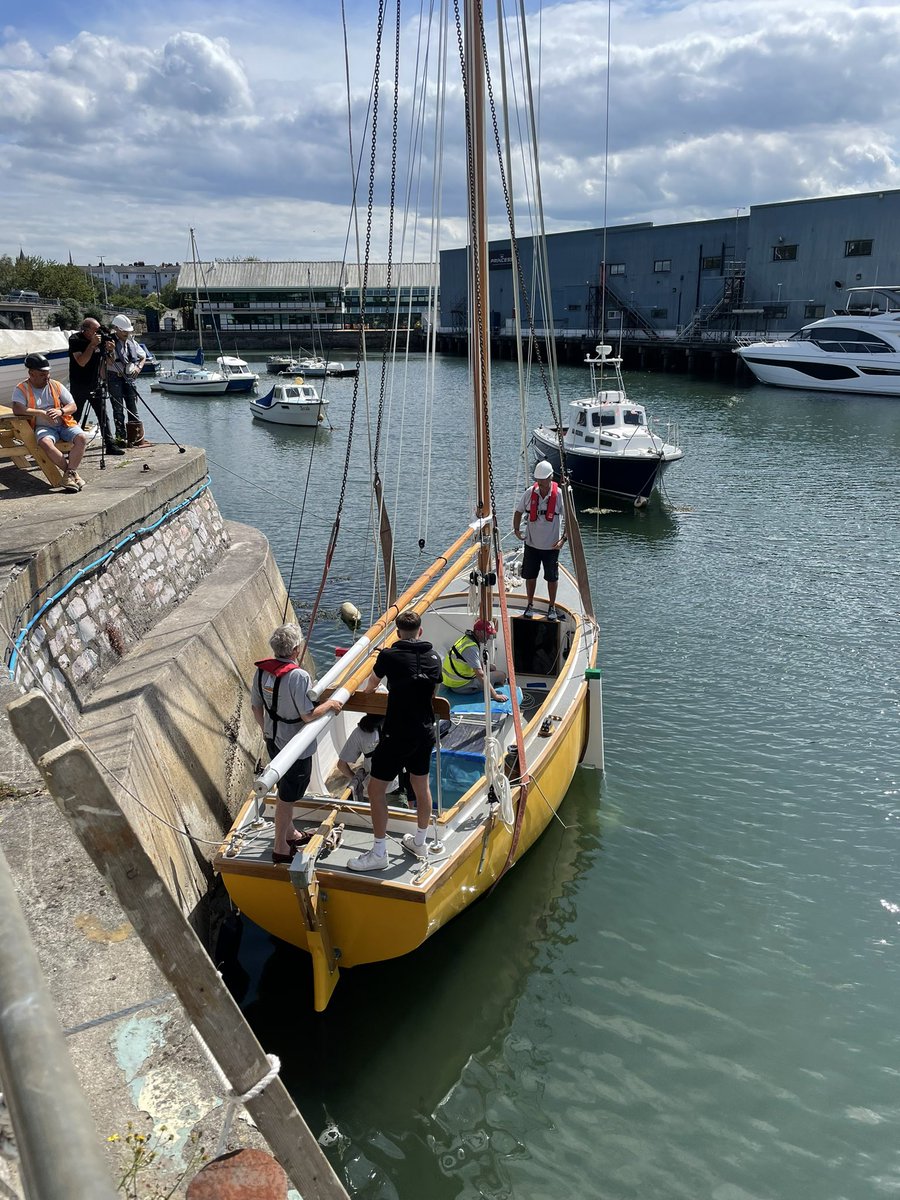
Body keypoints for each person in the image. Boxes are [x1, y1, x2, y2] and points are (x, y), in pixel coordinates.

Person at [348, 609, 442, 871]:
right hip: (425, 732)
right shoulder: (435, 658)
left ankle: (379, 852)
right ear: (420, 632)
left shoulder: (389, 655)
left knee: (375, 790)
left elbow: (372, 683)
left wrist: (369, 693)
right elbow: (433, 691)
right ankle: (420, 841)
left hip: (398, 733)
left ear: (398, 633)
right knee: (421, 787)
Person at [251, 623, 342, 864]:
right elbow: (308, 715)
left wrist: (266, 730)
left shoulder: (261, 672)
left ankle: (289, 833)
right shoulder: (299, 676)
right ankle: (280, 846)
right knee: (289, 795)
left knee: (285, 789)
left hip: (273, 739)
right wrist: (330, 705)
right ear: (295, 649)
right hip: (294, 746)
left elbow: (256, 706)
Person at [12, 354, 88, 493]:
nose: (46, 377)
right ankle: (71, 474)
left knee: (82, 438)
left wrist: (61, 411)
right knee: (45, 443)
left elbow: (73, 405)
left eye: (47, 373)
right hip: (42, 426)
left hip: (65, 423)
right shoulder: (21, 388)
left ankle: (69, 474)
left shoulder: (55, 385)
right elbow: (18, 409)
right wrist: (40, 413)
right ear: (31, 374)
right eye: (42, 374)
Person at [513, 460, 567, 620]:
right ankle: (529, 604)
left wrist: (563, 540)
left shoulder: (558, 496)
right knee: (530, 575)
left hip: (551, 546)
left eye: (544, 480)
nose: (541, 484)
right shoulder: (530, 493)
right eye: (539, 480)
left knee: (552, 577)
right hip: (531, 544)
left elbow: (570, 520)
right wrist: (516, 529)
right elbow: (518, 511)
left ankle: (552, 607)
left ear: (551, 478)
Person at [68, 318, 124, 456]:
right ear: (85, 330)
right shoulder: (75, 340)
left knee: (103, 415)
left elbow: (110, 362)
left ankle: (110, 445)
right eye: (95, 330)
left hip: (96, 383)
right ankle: (69, 445)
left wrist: (110, 351)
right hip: (79, 384)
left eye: (99, 329)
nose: (97, 333)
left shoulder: (101, 340)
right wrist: (92, 345)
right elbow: (81, 362)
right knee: (75, 415)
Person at [105, 314, 148, 447]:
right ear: (116, 329)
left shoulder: (132, 342)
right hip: (114, 377)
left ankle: (135, 437)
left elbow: (143, 356)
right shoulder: (108, 342)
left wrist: (138, 368)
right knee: (118, 409)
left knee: (133, 408)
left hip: (129, 378)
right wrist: (110, 351)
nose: (126, 333)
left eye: (128, 331)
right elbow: (107, 361)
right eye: (124, 331)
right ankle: (121, 438)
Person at [441, 618, 507, 702]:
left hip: (451, 681)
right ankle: (498, 688)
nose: (488, 637)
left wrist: (489, 667)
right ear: (478, 632)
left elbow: (470, 661)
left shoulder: (466, 639)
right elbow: (480, 675)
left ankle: (491, 683)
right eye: (487, 634)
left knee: (492, 668)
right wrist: (495, 695)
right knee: (501, 675)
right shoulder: (471, 648)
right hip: (460, 685)